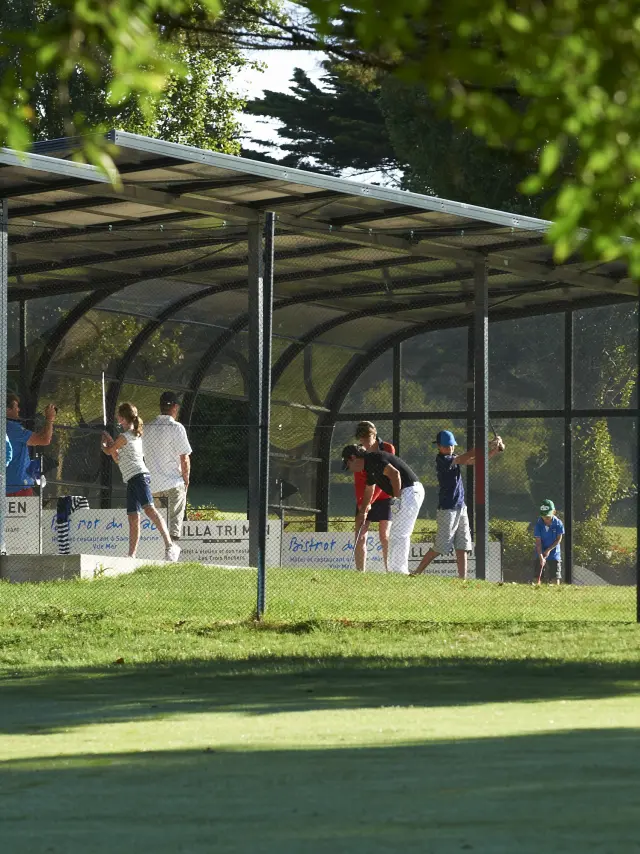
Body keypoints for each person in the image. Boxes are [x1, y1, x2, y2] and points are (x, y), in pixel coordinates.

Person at [410, 429, 505, 580]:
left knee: (463, 545)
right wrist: (489, 443)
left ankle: (463, 580)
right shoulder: (443, 460)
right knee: (441, 547)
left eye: (452, 446)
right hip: (447, 509)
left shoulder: (453, 457)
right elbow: (468, 455)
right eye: (447, 446)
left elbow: (475, 460)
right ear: (439, 447)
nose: (450, 449)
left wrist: (494, 451)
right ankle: (416, 573)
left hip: (461, 507)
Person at [102, 402, 180, 561]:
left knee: (150, 510)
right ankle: (132, 555)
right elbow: (117, 458)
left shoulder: (126, 436)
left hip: (139, 477)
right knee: (133, 517)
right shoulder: (130, 435)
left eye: (119, 415)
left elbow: (110, 451)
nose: (117, 417)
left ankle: (170, 546)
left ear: (122, 418)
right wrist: (110, 442)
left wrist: (105, 445)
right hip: (131, 479)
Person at [341, 444, 424, 575]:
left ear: (353, 457)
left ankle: (399, 571)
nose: (351, 469)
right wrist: (363, 512)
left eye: (348, 464)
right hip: (406, 492)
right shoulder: (369, 467)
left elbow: (395, 474)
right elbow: (370, 489)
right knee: (397, 532)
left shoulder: (374, 459)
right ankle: (396, 570)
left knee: (401, 532)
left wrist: (396, 499)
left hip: (409, 491)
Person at [143, 391, 192, 543]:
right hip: (173, 483)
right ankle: (172, 551)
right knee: (173, 524)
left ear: (160, 406)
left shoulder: (147, 428)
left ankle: (161, 552)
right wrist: (186, 479)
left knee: (159, 523)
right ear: (175, 407)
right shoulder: (176, 428)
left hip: (154, 485)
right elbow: (184, 458)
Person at [352, 420, 395, 571]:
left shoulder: (388, 448)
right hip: (364, 497)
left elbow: (386, 478)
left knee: (385, 535)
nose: (364, 441)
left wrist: (369, 502)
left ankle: (390, 569)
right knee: (360, 535)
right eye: (361, 438)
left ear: (374, 434)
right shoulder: (357, 452)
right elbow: (359, 480)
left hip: (384, 497)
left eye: (366, 437)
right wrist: (361, 503)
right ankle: (360, 572)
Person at [6, 393, 57, 496]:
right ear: (6, 409)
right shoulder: (12, 428)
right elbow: (45, 440)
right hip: (18, 489)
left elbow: (38, 438)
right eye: (15, 407)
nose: (18, 410)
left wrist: (47, 421)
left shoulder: (8, 428)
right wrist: (50, 419)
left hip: (11, 487)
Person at [534, 498, 564, 586]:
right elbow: (538, 543)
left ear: (554, 512)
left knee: (555, 577)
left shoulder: (558, 523)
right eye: (543, 517)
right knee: (537, 576)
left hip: (554, 553)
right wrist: (540, 556)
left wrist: (548, 550)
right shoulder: (538, 524)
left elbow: (558, 539)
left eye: (548, 517)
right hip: (540, 553)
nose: (545, 519)